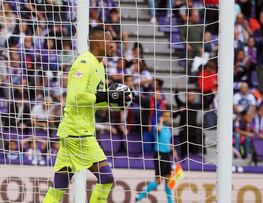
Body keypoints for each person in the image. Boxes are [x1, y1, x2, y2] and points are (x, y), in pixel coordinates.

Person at [43, 27, 133, 203]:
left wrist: (113, 102)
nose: (113, 46)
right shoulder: (83, 63)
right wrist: (106, 96)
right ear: (99, 42)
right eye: (110, 42)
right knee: (106, 178)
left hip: (73, 131)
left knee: (59, 184)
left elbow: (93, 99)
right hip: (78, 133)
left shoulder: (99, 66)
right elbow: (75, 97)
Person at [135, 111, 177, 203]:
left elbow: (167, 141)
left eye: (169, 116)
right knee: (158, 180)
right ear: (161, 117)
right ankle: (139, 196)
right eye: (165, 116)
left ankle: (170, 201)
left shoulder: (168, 128)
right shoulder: (157, 126)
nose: (167, 118)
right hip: (159, 154)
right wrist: (161, 121)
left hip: (166, 155)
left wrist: (173, 150)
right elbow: (158, 130)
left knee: (168, 179)